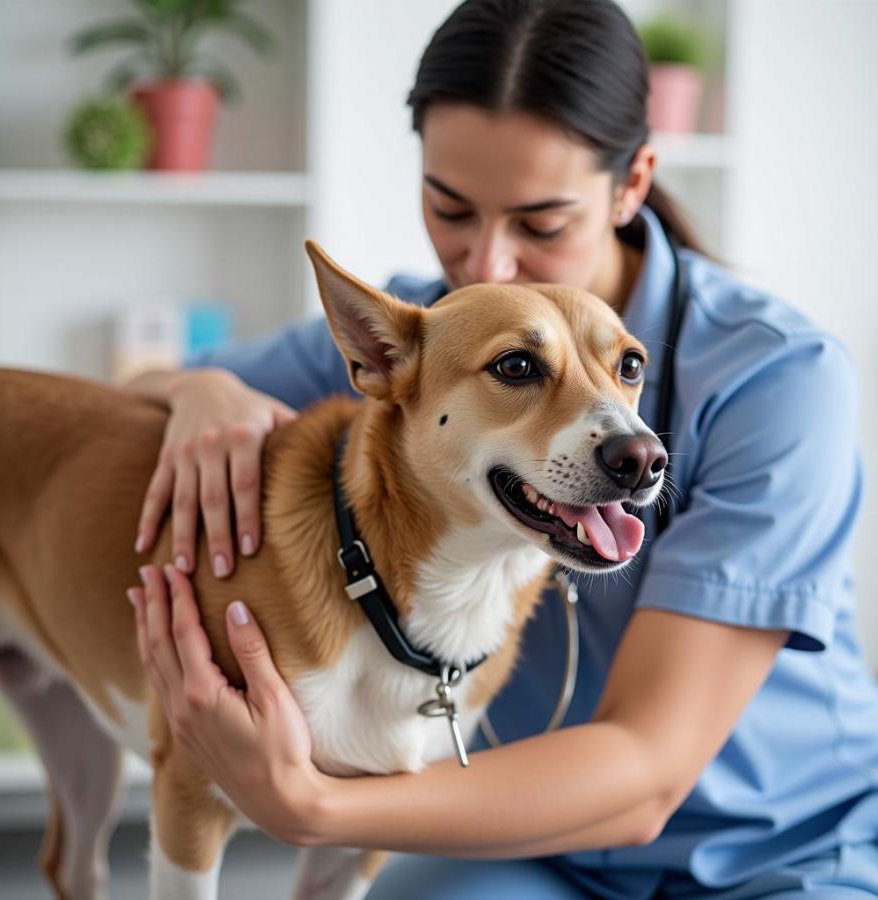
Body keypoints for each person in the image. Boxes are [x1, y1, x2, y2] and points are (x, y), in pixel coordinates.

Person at [124, 1, 878, 896]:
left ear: (633, 181)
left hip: (772, 853)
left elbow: (645, 771)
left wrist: (311, 805)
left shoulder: (778, 378)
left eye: (542, 222)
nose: (487, 262)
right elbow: (132, 393)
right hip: (528, 845)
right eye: (450, 207)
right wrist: (201, 390)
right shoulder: (426, 328)